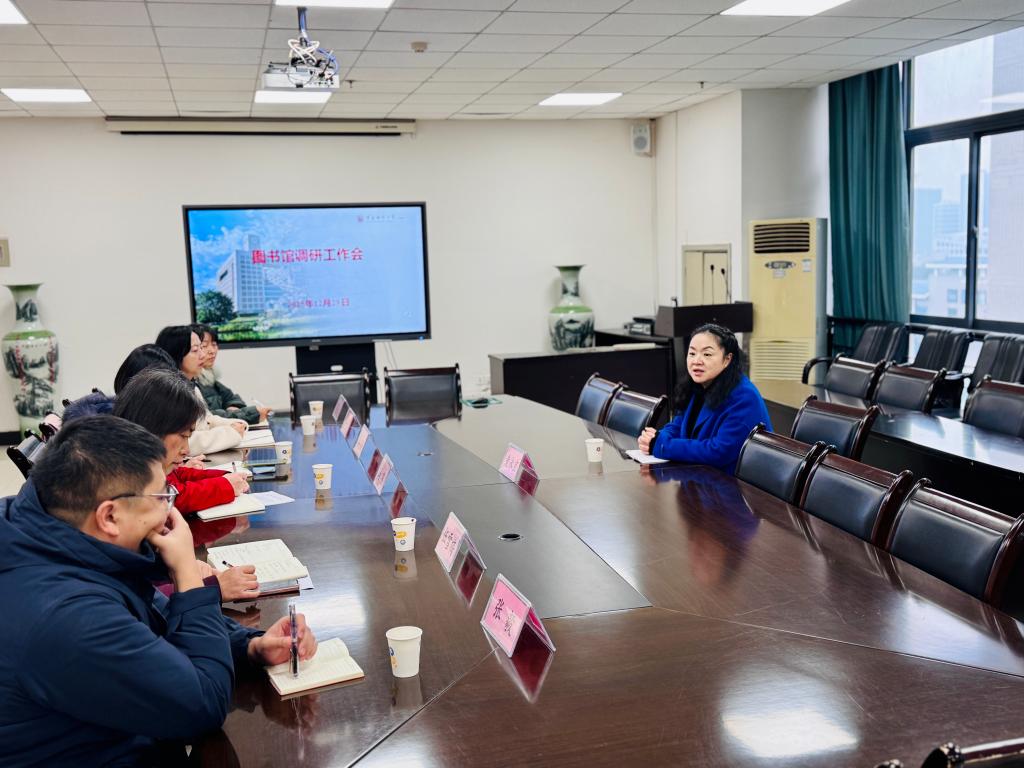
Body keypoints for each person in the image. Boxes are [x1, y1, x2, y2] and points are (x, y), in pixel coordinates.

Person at [0, 416, 317, 767]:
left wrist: (251, 646)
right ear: (110, 517)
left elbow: (157, 619)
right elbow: (202, 704)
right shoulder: (67, 615)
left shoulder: (59, 536)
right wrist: (187, 572)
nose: (170, 509)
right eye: (161, 496)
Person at [638, 323, 771, 475]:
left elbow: (719, 451)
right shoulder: (698, 385)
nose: (696, 361)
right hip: (700, 476)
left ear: (727, 359)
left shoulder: (744, 396)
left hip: (732, 483)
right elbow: (677, 425)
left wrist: (663, 445)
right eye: (692, 353)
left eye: (707, 354)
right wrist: (656, 438)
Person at [155, 326, 247, 455]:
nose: (203, 355)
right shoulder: (168, 393)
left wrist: (234, 424)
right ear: (176, 354)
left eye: (201, 348)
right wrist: (230, 433)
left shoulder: (192, 386)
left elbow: (207, 420)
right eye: (195, 350)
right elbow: (183, 442)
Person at [195, 324, 271, 426]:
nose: (212, 351)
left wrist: (234, 407)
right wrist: (248, 414)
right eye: (204, 346)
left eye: (214, 344)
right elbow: (207, 418)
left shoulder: (210, 378)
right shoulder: (190, 383)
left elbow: (231, 397)